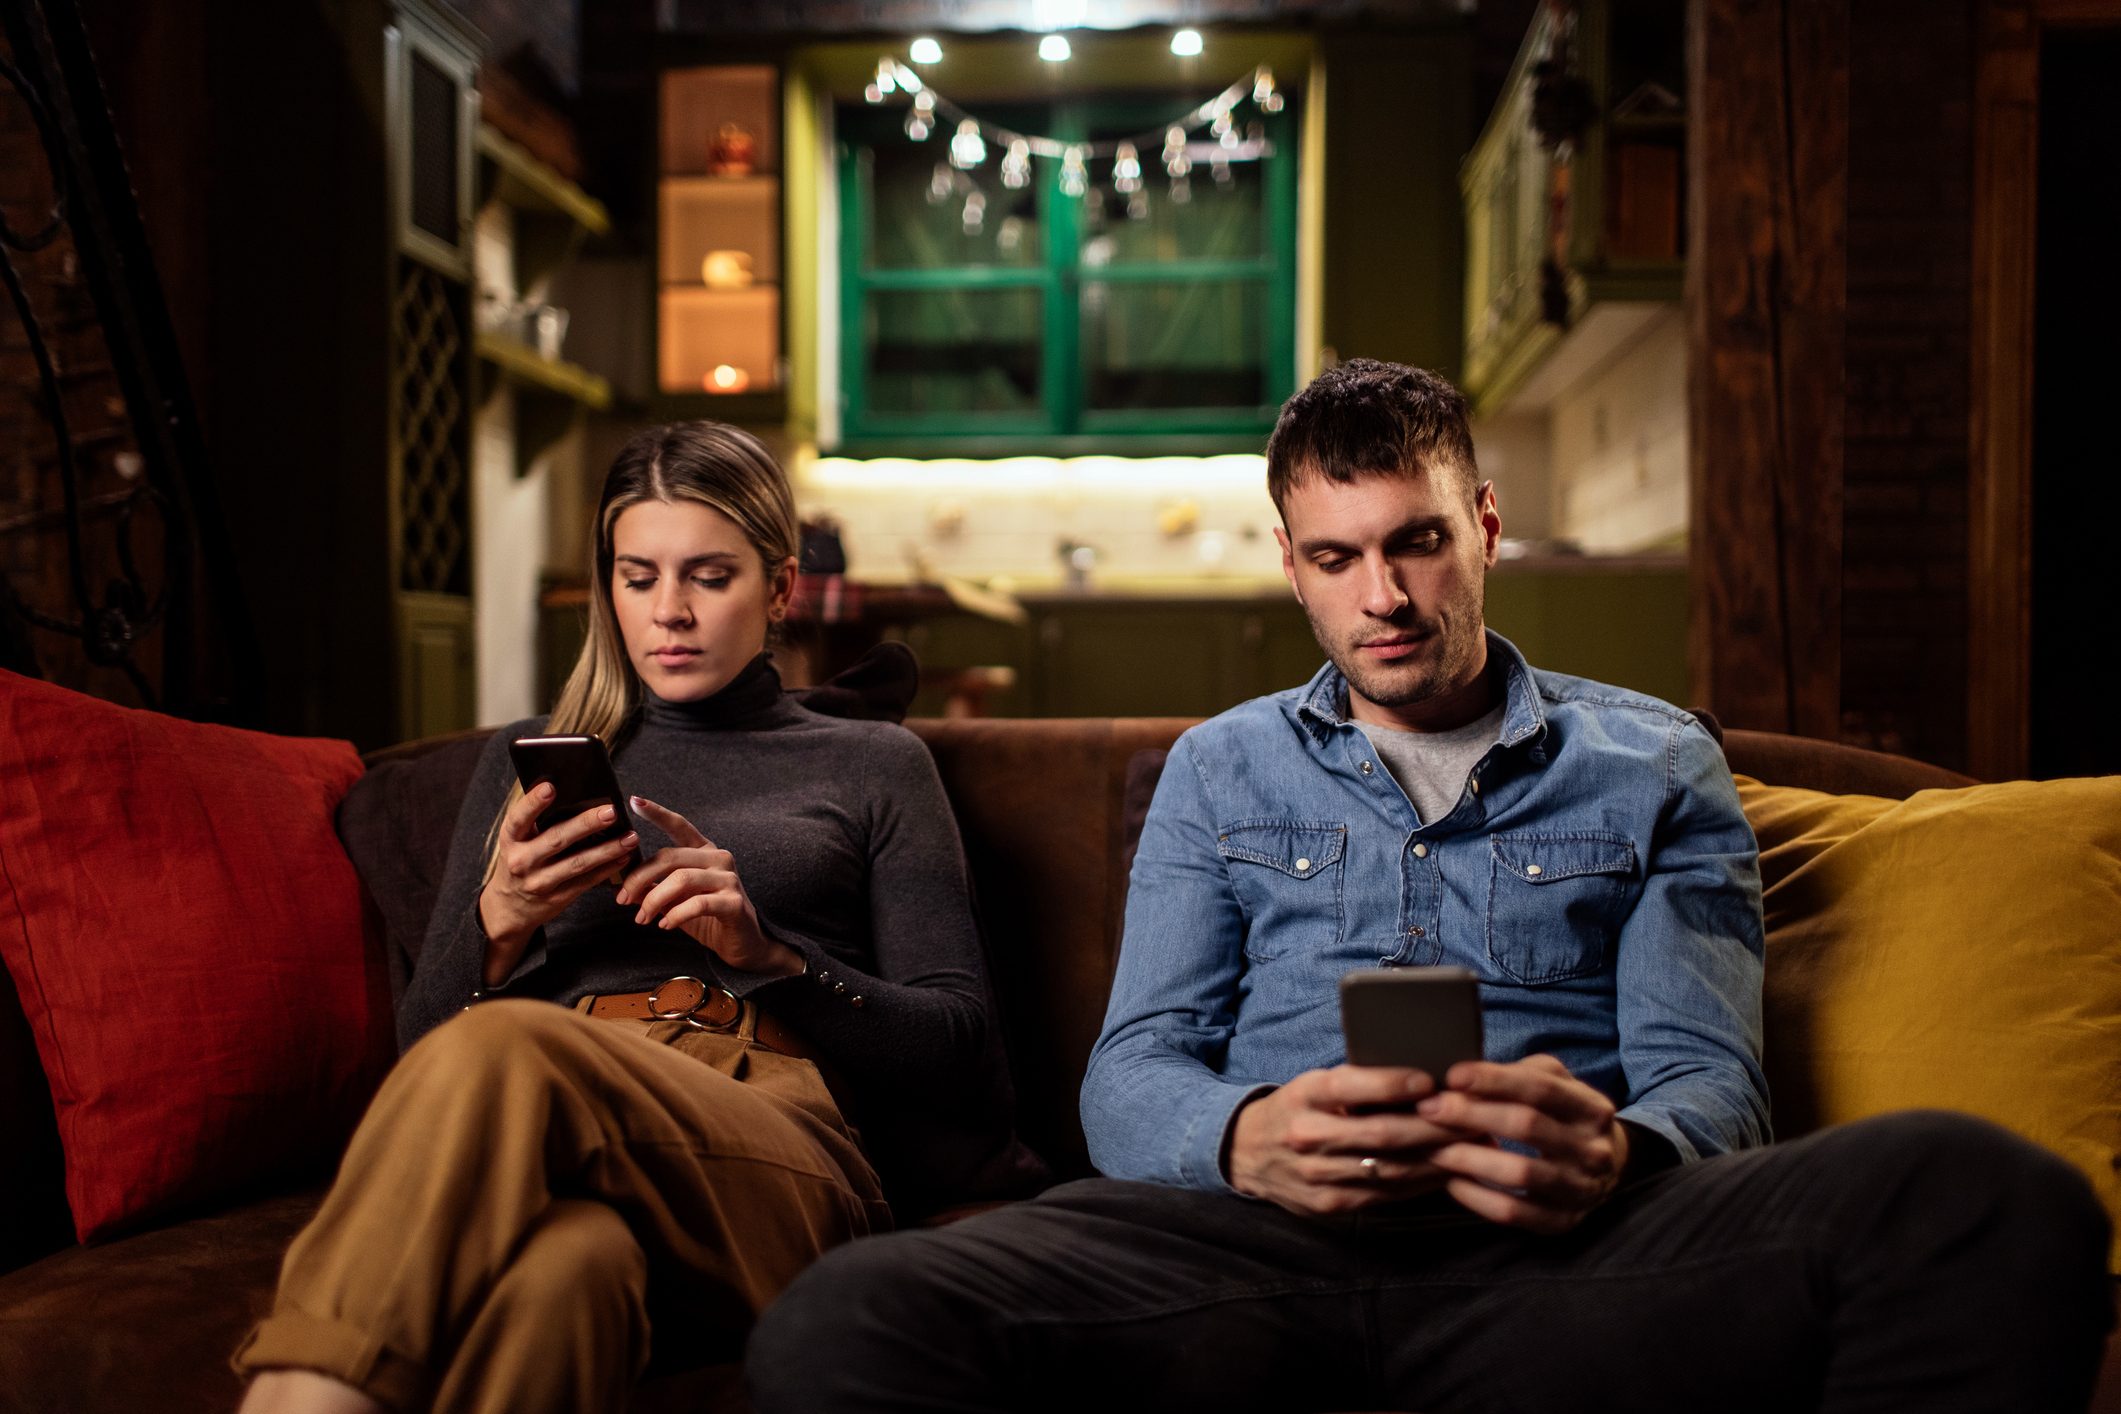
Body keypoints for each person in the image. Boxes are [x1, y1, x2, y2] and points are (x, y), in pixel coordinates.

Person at [747, 361, 2114, 1413]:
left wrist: (1617, 1150)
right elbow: (1133, 1071)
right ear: (1291, 567)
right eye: (1336, 558)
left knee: (1986, 1197)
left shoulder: (1654, 761)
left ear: (1486, 525)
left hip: (1571, 1264)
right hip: (1251, 1252)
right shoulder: (1217, 768)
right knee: (848, 1314)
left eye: (1417, 542)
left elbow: (1710, 1080)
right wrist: (1243, 1135)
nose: (1384, 597)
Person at [233, 421, 1038, 1414]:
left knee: (505, 1046)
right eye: (637, 576)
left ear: (780, 588)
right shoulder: (529, 758)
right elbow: (424, 1056)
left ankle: (296, 1393)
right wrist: (500, 920)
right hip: (560, 1126)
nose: (668, 612)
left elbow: (961, 1049)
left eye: (709, 576)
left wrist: (768, 955)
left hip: (776, 1141)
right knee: (567, 1273)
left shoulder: (873, 764)